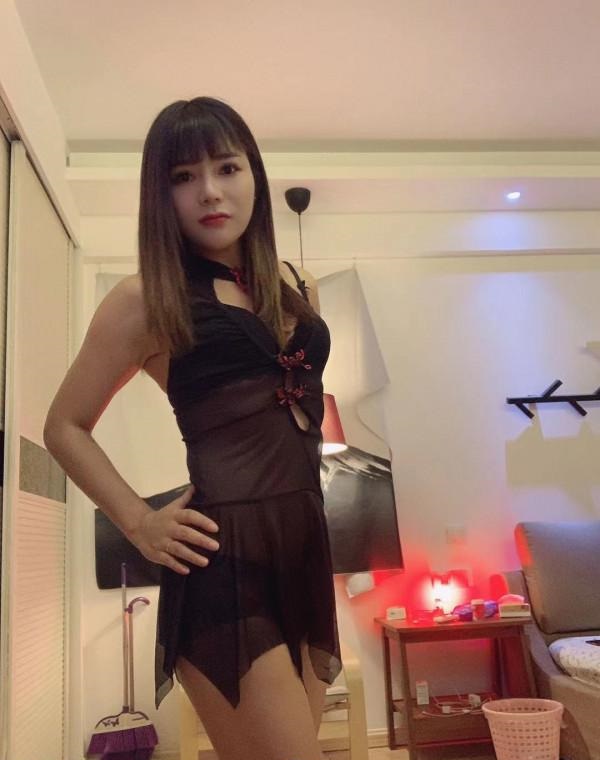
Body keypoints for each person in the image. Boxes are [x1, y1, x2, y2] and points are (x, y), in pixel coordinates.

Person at [44, 96, 342, 760]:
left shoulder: (297, 285)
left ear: (253, 175)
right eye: (183, 176)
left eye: (227, 167)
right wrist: (139, 523)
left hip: (303, 551)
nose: (209, 190)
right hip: (221, 563)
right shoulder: (146, 299)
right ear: (161, 195)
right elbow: (65, 425)